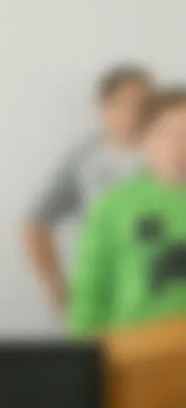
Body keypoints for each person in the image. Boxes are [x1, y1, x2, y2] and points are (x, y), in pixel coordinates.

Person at [25, 65, 153, 313]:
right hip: (105, 296)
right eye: (127, 103)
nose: (136, 113)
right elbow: (35, 223)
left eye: (146, 105)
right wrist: (57, 291)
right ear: (104, 106)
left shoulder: (170, 154)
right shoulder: (83, 161)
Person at [67, 88, 186, 335]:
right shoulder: (113, 205)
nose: (179, 146)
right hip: (133, 344)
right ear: (143, 139)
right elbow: (89, 289)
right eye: (167, 134)